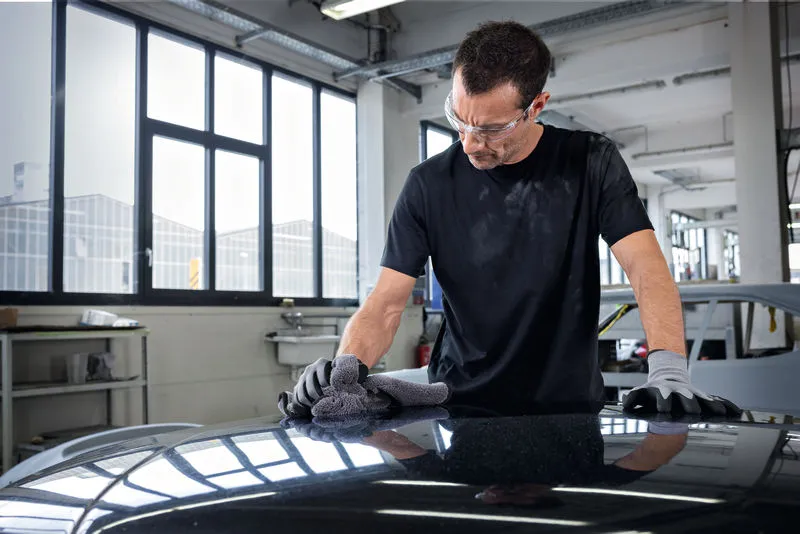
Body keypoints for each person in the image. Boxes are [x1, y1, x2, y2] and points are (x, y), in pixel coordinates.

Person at [287, 21, 740, 416]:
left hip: (567, 407)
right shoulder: (428, 185)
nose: (469, 143)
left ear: (536, 106)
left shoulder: (589, 161)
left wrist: (668, 368)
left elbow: (646, 268)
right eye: (459, 121)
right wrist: (346, 367)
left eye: (489, 129)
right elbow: (385, 302)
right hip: (457, 403)